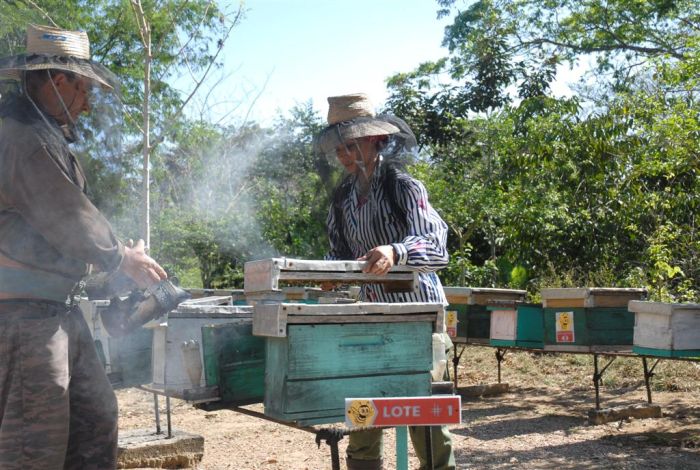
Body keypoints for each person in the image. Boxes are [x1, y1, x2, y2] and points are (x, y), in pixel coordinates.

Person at [0, 25, 167, 469]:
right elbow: (67, 216)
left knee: (95, 422)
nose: (89, 101)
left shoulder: (40, 133)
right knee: (33, 446)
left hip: (57, 310)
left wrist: (111, 264)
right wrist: (120, 257)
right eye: (85, 87)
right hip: (24, 318)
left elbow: (57, 233)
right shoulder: (21, 136)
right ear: (59, 80)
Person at [315, 93, 456, 470]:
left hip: (418, 317)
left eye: (351, 146)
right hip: (370, 318)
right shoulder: (342, 200)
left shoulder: (405, 188)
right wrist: (325, 277)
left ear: (376, 141)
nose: (345, 156)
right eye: (339, 149)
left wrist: (396, 251)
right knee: (362, 411)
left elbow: (437, 246)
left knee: (422, 413)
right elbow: (339, 254)